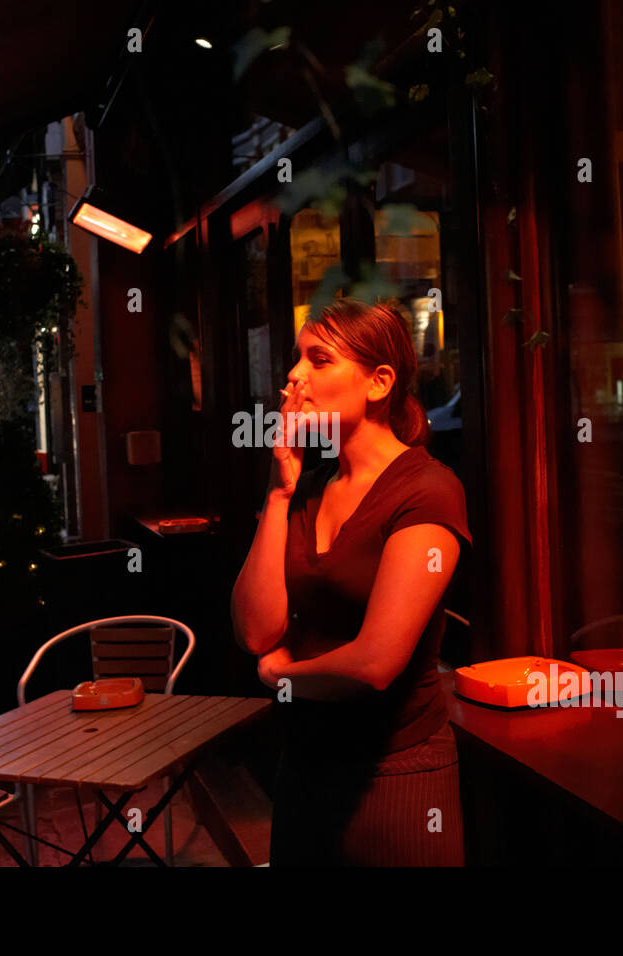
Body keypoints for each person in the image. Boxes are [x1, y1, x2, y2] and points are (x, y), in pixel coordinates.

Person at [231, 297, 472, 866]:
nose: (294, 375)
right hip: (302, 768)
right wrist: (279, 489)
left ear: (378, 382)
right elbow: (255, 628)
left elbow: (375, 663)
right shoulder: (308, 487)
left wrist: (281, 676)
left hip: (394, 775)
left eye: (319, 359)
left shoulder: (427, 491)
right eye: (297, 359)